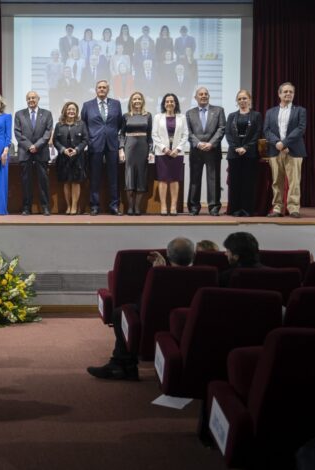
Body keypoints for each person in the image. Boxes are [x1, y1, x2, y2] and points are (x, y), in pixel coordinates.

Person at [87, 237, 196, 380]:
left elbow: (145, 305)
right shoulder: (208, 274)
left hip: (155, 323)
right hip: (190, 327)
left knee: (120, 313)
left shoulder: (159, 276)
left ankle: (122, 365)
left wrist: (158, 272)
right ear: (194, 255)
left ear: (168, 256)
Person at [264, 82, 307, 218]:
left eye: (291, 92)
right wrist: (277, 143)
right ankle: (277, 209)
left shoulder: (300, 110)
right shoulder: (270, 112)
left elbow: (300, 129)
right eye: (285, 91)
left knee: (294, 181)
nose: (288, 94)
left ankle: (293, 208)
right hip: (275, 151)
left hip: (294, 151)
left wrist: (284, 143)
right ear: (279, 94)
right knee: (277, 181)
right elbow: (267, 130)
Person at [81, 80, 123, 215]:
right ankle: (94, 206)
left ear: (108, 90)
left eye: (104, 87)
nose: (102, 89)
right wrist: (88, 141)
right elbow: (83, 125)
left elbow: (119, 123)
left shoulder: (116, 104)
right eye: (99, 87)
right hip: (94, 144)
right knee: (94, 177)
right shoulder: (87, 105)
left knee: (113, 176)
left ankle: (114, 205)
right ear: (96, 89)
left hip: (112, 144)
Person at [185, 87, 226, 216]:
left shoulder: (218, 110)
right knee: (194, 180)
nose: (203, 96)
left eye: (206, 94)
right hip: (196, 151)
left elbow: (221, 128)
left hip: (213, 151)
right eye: (201, 94)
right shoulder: (189, 113)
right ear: (195, 97)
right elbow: (188, 132)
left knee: (213, 180)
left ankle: (214, 207)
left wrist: (211, 143)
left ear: (208, 96)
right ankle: (193, 207)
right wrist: (198, 143)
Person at [225, 90, 263, 217]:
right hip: (234, 154)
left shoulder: (256, 115)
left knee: (248, 183)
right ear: (237, 101)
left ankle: (247, 209)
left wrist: (246, 147)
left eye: (245, 98)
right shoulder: (231, 116)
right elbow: (228, 133)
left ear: (249, 99)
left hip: (250, 154)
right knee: (235, 183)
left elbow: (257, 133)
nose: (242, 101)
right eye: (240, 99)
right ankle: (234, 209)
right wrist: (236, 147)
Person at [14, 91, 53, 215]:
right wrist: (29, 146)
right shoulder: (19, 114)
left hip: (41, 151)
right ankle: (26, 207)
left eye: (33, 98)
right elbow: (17, 133)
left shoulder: (47, 114)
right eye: (29, 98)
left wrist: (36, 146)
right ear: (26, 100)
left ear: (38, 99)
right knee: (26, 182)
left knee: (43, 181)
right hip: (25, 152)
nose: (31, 100)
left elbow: (48, 133)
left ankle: (45, 207)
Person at [152, 93, 188, 215]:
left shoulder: (182, 117)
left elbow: (185, 135)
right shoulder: (158, 117)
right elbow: (154, 135)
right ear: (164, 104)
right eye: (167, 101)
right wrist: (164, 149)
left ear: (176, 103)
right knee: (162, 180)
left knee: (174, 179)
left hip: (177, 154)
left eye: (172, 101)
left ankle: (173, 206)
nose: (169, 103)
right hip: (162, 153)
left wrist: (177, 149)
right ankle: (163, 206)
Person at [119, 91, 154, 216]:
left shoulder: (148, 115)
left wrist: (151, 151)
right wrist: (121, 149)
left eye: (139, 99)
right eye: (135, 99)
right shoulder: (126, 116)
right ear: (131, 101)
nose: (137, 101)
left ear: (142, 101)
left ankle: (137, 207)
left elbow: (150, 135)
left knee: (141, 176)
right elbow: (121, 134)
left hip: (143, 148)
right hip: (129, 148)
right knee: (129, 176)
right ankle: (130, 207)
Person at [53, 101, 88, 215]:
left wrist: (77, 150)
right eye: (69, 109)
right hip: (64, 157)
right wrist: (63, 150)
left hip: (78, 158)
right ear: (65, 111)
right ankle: (68, 206)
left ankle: (74, 206)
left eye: (73, 109)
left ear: (76, 112)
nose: (71, 111)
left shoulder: (81, 124)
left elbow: (85, 140)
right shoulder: (59, 125)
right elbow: (55, 141)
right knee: (66, 182)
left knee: (76, 182)